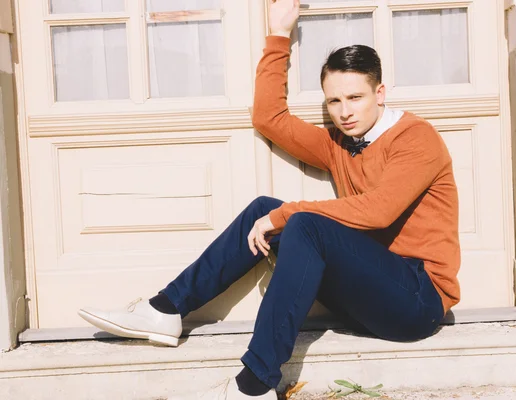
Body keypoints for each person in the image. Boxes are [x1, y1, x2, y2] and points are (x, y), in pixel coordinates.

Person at [78, 0, 461, 398]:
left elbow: (379, 210)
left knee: (301, 222)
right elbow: (268, 117)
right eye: (334, 101)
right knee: (265, 208)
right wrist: (278, 35)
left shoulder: (416, 139)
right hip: (367, 293)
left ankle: (254, 384)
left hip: (416, 301)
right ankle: (166, 310)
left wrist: (286, 215)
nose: (344, 112)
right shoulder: (340, 143)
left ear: (380, 93)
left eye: (355, 98)